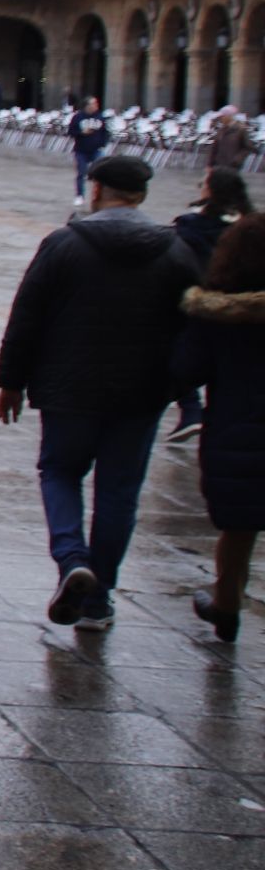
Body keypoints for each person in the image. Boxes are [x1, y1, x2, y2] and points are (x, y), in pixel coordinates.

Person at [0, 154, 203, 631]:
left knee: (60, 472)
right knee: (119, 493)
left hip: (68, 388)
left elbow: (26, 316)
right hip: (140, 395)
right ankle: (98, 598)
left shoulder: (64, 244)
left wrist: (11, 381)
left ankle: (73, 561)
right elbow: (193, 326)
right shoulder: (175, 253)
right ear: (142, 196)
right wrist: (180, 387)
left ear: (95, 190)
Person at [174, 214, 265, 644]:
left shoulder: (215, 314)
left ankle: (227, 605)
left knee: (240, 528)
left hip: (237, 431)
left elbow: (186, 371)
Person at [167, 170, 253, 441]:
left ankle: (191, 409)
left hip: (200, 300)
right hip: (243, 304)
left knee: (181, 354)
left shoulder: (193, 225)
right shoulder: (250, 223)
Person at [68, 96, 111, 205]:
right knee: (81, 173)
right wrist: (81, 133)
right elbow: (71, 132)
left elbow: (106, 132)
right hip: (81, 150)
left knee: (100, 173)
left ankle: (98, 196)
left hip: (96, 150)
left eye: (96, 104)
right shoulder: (77, 117)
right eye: (93, 104)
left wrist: (103, 143)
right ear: (87, 105)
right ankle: (79, 195)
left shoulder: (101, 117)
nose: (95, 106)